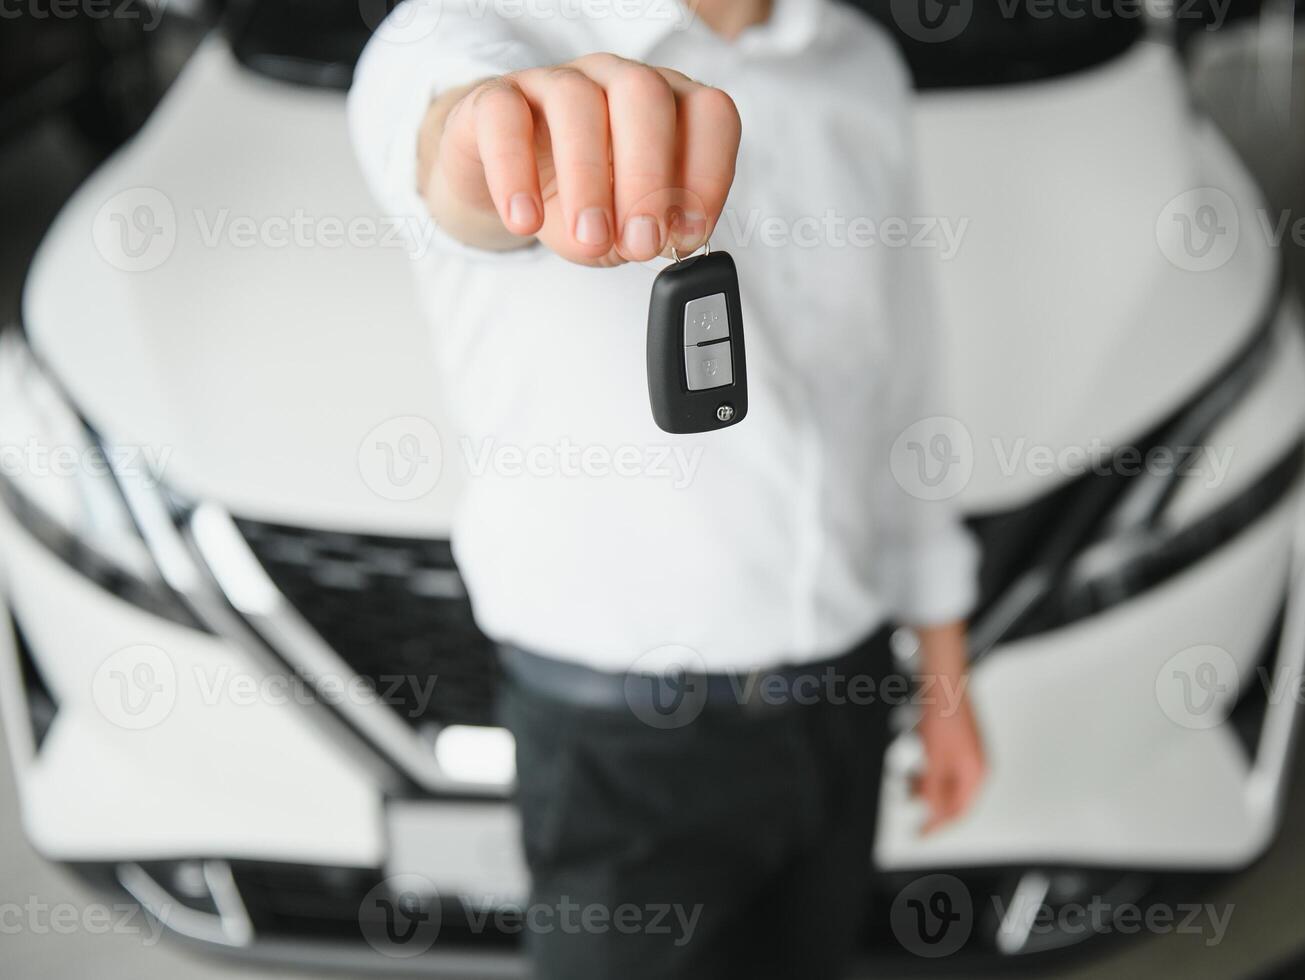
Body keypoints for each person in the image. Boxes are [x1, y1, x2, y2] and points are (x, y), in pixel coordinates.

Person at [348, 0, 987, 976]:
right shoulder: (467, 29)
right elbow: (450, 149)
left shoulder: (858, 63)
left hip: (846, 695)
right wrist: (495, 140)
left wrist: (942, 674)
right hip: (620, 748)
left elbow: (900, 384)